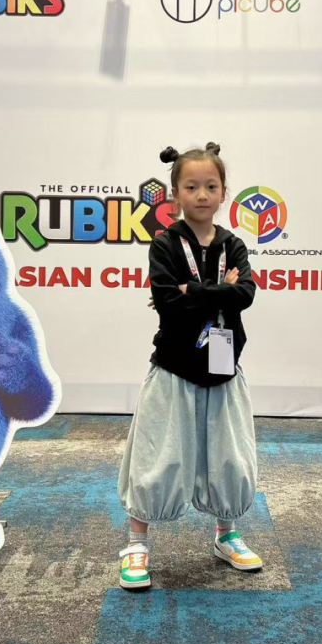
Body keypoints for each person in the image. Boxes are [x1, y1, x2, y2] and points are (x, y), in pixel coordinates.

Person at [116, 142, 262, 590]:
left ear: (223, 193)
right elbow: (167, 301)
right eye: (192, 186)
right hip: (174, 368)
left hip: (222, 369)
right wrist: (219, 289)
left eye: (211, 186)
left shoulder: (233, 244)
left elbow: (246, 295)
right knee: (158, 456)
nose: (202, 194)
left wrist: (194, 290)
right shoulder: (163, 244)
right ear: (175, 193)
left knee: (229, 458)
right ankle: (136, 543)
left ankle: (226, 534)